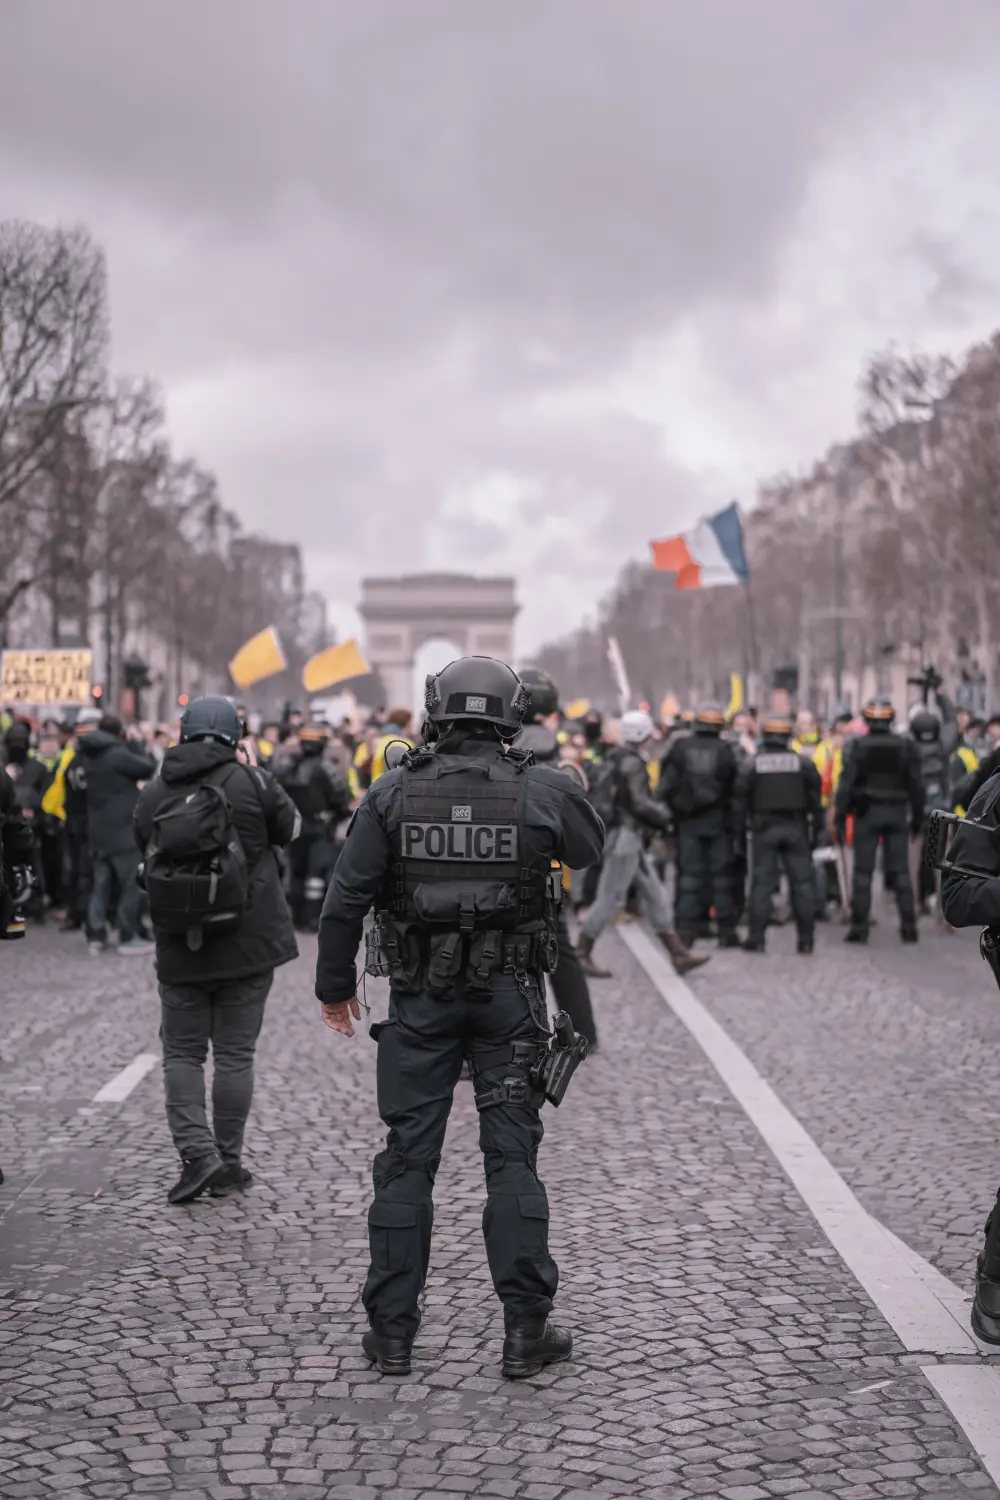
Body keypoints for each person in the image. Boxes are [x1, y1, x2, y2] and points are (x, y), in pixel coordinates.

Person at [315, 656, 604, 1379]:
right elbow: (589, 848)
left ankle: (392, 1334)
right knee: (512, 1161)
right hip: (509, 1001)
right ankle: (524, 1333)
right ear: (512, 714)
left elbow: (345, 899)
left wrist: (333, 988)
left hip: (419, 1001)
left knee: (407, 1159)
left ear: (434, 712)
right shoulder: (542, 787)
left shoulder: (391, 791)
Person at [135, 696, 300, 1205]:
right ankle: (227, 1159)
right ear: (237, 735)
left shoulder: (158, 787)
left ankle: (196, 1156)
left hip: (181, 938)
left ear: (183, 733)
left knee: (182, 1052)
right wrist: (256, 772)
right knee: (235, 1054)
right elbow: (290, 829)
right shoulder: (252, 781)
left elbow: (140, 838)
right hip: (247, 938)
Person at [576, 709, 707, 979]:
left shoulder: (616, 756)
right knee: (609, 897)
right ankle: (581, 952)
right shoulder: (632, 762)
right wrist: (665, 815)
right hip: (627, 837)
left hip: (628, 836)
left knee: (656, 895)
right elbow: (639, 802)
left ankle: (678, 954)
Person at [517, 667, 599, 1047]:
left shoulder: (501, 742)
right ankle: (583, 1033)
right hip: (548, 867)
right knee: (561, 950)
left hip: (502, 860)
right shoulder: (561, 751)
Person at [834, 697, 924, 943]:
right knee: (902, 872)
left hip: (867, 813)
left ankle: (859, 928)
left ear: (867, 719)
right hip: (897, 811)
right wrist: (917, 818)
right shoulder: (906, 746)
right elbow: (917, 785)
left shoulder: (857, 746)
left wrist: (840, 817)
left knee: (863, 872)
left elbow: (846, 784)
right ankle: (909, 926)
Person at [735, 713, 823, 953]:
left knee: (761, 885)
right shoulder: (803, 763)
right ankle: (806, 940)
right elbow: (817, 802)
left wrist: (740, 834)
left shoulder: (752, 764)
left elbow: (739, 802)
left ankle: (757, 938)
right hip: (796, 828)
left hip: (764, 829)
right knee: (802, 885)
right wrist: (817, 831)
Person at [657, 702, 739, 948]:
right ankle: (726, 931)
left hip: (687, 823)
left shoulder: (680, 748)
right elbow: (735, 789)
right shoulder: (726, 750)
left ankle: (685, 929)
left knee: (689, 878)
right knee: (722, 878)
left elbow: (665, 786)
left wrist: (668, 817)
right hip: (718, 822)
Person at [77, 714, 156, 954]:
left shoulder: (87, 754)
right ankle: (127, 935)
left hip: (98, 831)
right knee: (131, 885)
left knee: (100, 886)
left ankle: (96, 935)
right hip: (122, 832)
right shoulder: (117, 754)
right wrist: (136, 743)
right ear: (119, 732)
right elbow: (147, 767)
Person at [273, 724, 352, 931]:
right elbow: (340, 797)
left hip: (294, 828)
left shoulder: (284, 767)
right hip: (319, 828)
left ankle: (297, 917)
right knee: (316, 875)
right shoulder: (326, 768)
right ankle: (313, 917)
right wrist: (341, 812)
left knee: (296, 872)